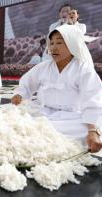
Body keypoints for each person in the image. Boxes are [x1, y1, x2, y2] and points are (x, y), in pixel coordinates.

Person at [11, 24, 102, 153]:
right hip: (43, 113)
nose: (53, 47)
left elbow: (93, 99)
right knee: (17, 119)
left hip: (71, 118)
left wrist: (92, 130)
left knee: (84, 129)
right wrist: (20, 94)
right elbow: (26, 84)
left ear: (72, 45)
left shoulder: (83, 70)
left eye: (59, 43)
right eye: (51, 43)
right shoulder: (43, 67)